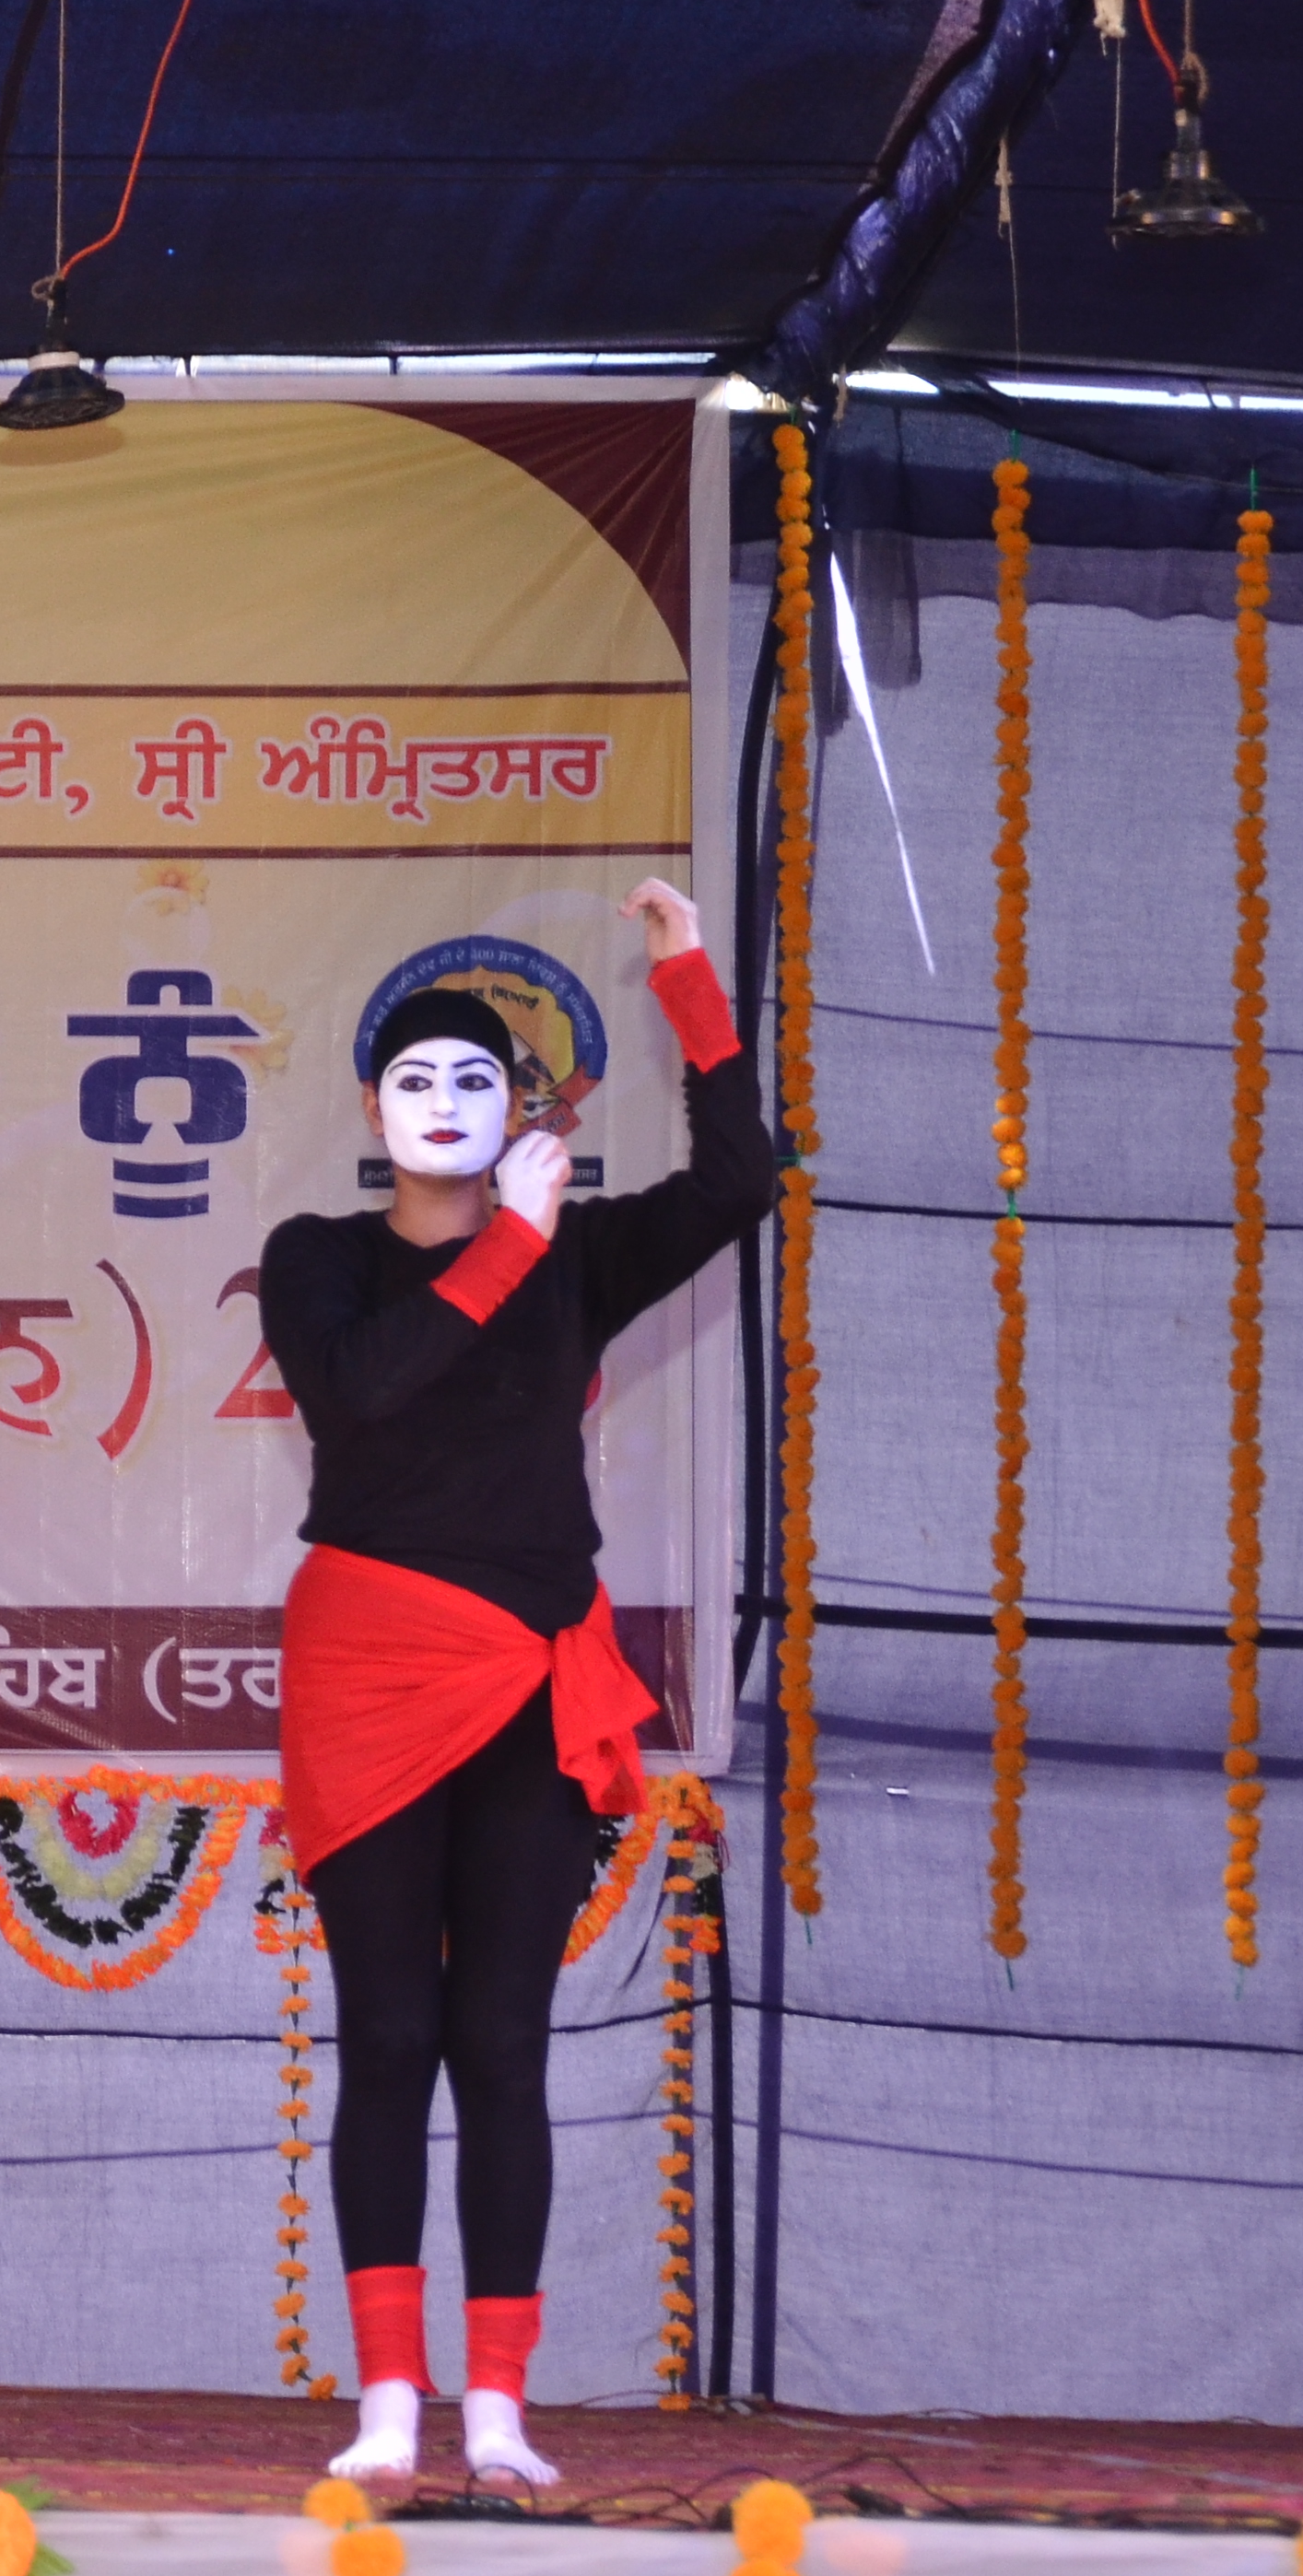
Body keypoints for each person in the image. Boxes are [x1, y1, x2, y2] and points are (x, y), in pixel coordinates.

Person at [256, 878, 771, 2491]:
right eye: (412, 1078)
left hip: (534, 1667)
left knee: (499, 2037)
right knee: (387, 2031)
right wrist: (516, 1241)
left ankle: (493, 2400)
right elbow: (366, 1397)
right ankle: (388, 2398)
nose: (442, 1103)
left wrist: (684, 977)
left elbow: (746, 1177)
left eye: (476, 1080)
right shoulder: (317, 1258)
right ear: (368, 1106)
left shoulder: (574, 1255)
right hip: (368, 1669)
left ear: (522, 1109)